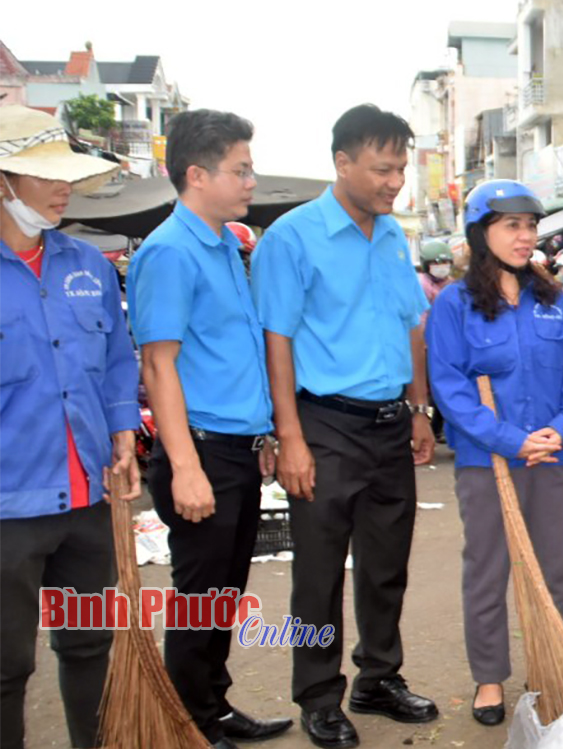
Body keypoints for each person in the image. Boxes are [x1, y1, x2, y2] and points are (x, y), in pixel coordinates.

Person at [251, 104, 438, 749]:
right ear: (342, 162)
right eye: (384, 169)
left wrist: (418, 409)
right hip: (324, 424)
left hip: (390, 423)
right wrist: (291, 437)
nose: (396, 183)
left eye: (402, 169)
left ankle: (378, 679)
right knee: (320, 571)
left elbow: (411, 323)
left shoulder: (391, 235)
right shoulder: (291, 238)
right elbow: (276, 340)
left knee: (387, 564)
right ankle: (318, 695)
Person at [126, 109, 292, 749]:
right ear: (197, 175)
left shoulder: (226, 244)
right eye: (240, 170)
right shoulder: (170, 252)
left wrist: (266, 435)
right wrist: (187, 467)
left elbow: (237, 352)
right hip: (200, 452)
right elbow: (158, 365)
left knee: (223, 592)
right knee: (200, 597)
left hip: (238, 451)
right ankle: (186, 720)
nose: (251, 181)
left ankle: (212, 706)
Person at [0, 105, 141, 749]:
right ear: (4, 181)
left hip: (88, 496)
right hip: (9, 506)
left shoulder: (85, 264)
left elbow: (117, 360)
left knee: (88, 646)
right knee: (7, 665)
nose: (65, 188)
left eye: (67, 176)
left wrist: (121, 431)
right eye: (47, 176)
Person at [426, 180, 563, 727]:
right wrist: (508, 439)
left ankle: (548, 667)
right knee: (488, 569)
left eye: (531, 226)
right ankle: (489, 677)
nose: (525, 237)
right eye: (512, 226)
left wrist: (561, 431)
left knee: (552, 572)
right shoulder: (454, 304)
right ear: (481, 232)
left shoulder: (553, 299)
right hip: (486, 461)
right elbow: (448, 387)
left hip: (551, 458)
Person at [417, 239, 454, 314]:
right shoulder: (422, 284)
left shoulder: (451, 283)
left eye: (445, 262)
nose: (441, 266)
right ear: (426, 264)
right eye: (436, 263)